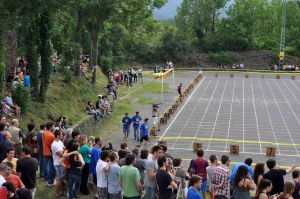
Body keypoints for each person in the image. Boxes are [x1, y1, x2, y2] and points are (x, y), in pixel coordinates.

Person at [51, 129, 65, 197]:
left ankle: (61, 191)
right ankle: (57, 193)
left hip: (61, 162)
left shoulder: (60, 141)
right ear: (58, 135)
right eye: (61, 134)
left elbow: (64, 149)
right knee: (59, 179)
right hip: (58, 164)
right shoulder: (54, 144)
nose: (62, 135)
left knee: (61, 178)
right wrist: (64, 152)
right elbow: (61, 154)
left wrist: (64, 151)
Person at [42, 122, 56, 186]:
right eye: (53, 126)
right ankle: (51, 180)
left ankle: (46, 177)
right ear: (50, 127)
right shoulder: (51, 135)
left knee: (46, 165)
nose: (54, 127)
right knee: (51, 167)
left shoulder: (44, 133)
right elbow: (54, 144)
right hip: (50, 152)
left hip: (45, 151)